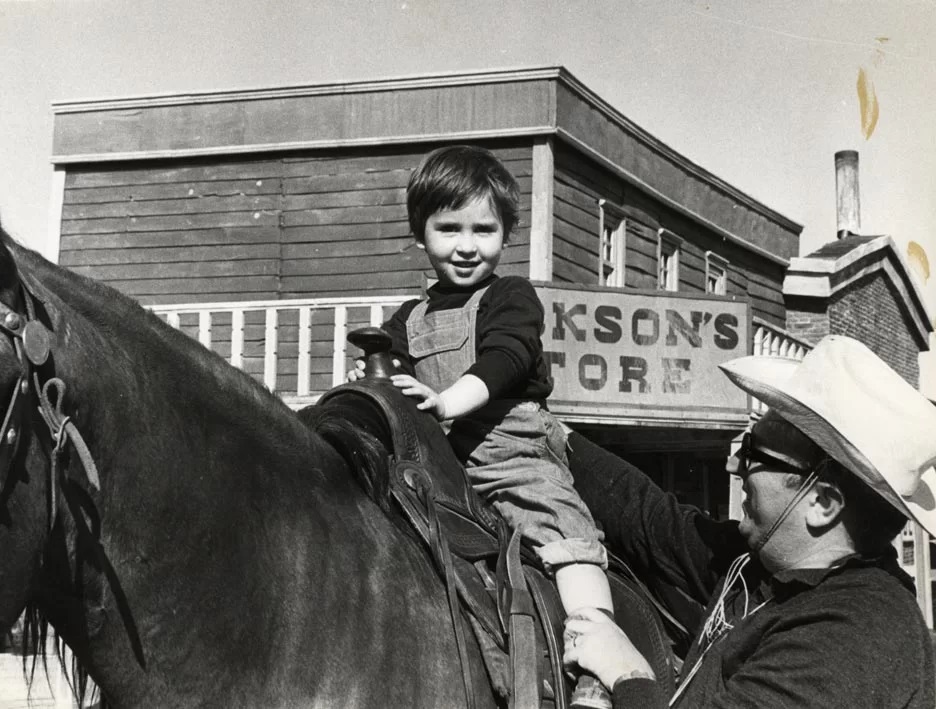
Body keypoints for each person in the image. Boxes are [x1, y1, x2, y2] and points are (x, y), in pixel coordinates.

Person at [349, 145, 616, 708]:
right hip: (439, 465)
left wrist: (447, 401)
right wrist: (377, 379)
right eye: (448, 229)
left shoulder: (510, 298)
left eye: (484, 229)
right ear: (420, 234)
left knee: (564, 535)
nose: (467, 246)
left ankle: (596, 655)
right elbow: (394, 380)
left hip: (512, 449)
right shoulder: (408, 318)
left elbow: (506, 359)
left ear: (505, 234)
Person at [561, 334, 936, 708]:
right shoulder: (765, 565)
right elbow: (652, 518)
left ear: (822, 502)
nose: (732, 465)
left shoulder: (853, 634)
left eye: (753, 452)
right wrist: (550, 432)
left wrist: (627, 673)